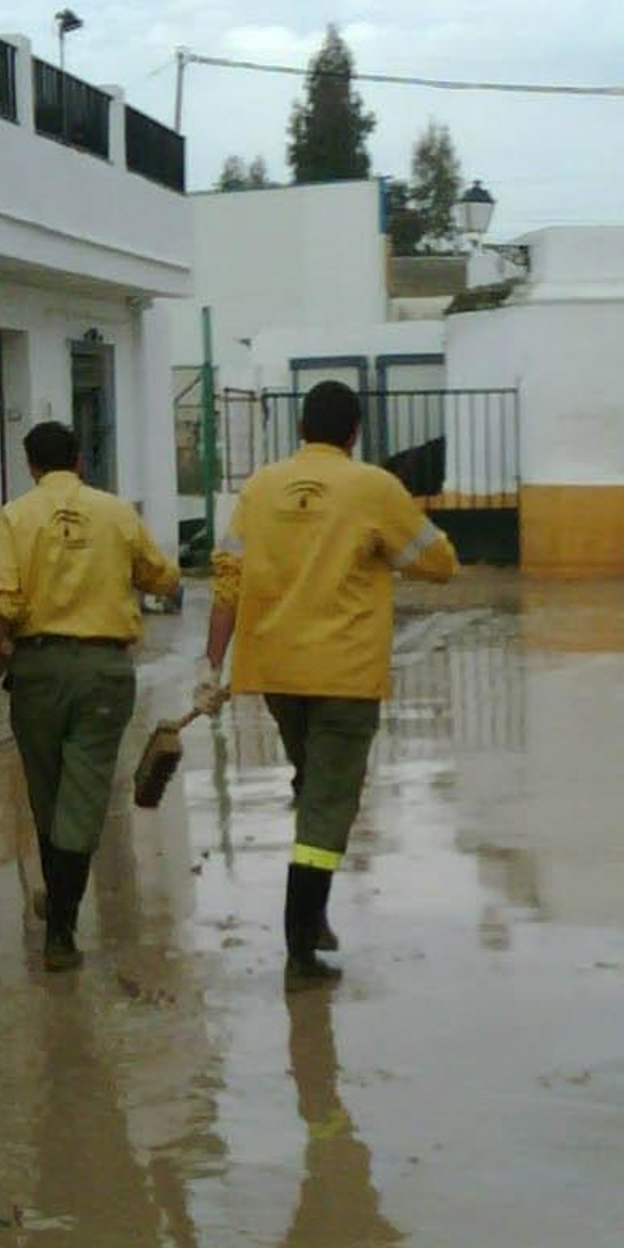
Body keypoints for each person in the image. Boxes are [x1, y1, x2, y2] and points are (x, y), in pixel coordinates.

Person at [198, 377, 459, 988]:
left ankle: (313, 921)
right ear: (355, 433)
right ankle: (301, 946)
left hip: (276, 674)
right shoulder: (374, 487)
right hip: (343, 675)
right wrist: (384, 549)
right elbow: (438, 563)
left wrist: (211, 665)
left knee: (315, 785)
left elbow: (228, 577)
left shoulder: (259, 487)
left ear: (300, 430)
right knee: (328, 807)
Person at [0, 419, 181, 973]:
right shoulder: (117, 512)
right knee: (83, 798)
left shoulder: (16, 516)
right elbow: (164, 579)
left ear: (31, 466)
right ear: (79, 461)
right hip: (104, 672)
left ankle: (58, 908)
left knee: (48, 794)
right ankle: (60, 930)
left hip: (38, 671)